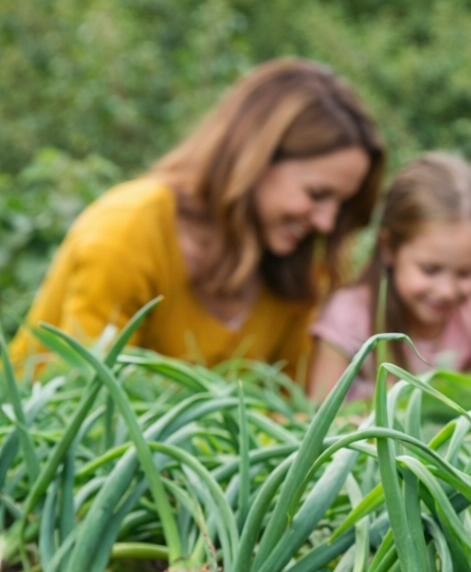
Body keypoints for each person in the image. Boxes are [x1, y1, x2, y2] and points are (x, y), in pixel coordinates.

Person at [10, 58, 385, 385]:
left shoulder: (296, 274)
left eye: (341, 205)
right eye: (318, 194)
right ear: (254, 159)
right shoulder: (128, 230)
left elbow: (286, 417)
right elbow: (88, 395)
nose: (326, 222)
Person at [309, 152, 471, 402]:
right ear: (389, 249)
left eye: (465, 272)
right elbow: (318, 415)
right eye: (430, 269)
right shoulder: (348, 318)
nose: (447, 290)